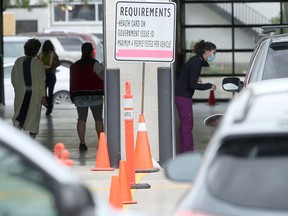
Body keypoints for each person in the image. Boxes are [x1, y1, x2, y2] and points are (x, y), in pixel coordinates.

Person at [175, 40, 217, 153]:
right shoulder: (196, 63)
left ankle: (183, 151)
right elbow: (192, 85)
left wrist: (192, 77)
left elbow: (181, 71)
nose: (214, 56)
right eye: (213, 53)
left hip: (181, 96)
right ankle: (188, 152)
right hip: (183, 97)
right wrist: (209, 85)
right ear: (207, 52)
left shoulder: (195, 60)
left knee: (185, 125)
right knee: (187, 125)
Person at [70, 42, 104, 151]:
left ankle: (82, 143)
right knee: (98, 119)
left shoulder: (75, 66)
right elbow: (103, 78)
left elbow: (73, 81)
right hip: (95, 95)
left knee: (81, 119)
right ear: (91, 52)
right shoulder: (95, 64)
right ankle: (101, 142)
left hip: (80, 96)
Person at [11, 38, 48, 139]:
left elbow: (13, 79)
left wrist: (18, 89)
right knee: (34, 118)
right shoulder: (38, 63)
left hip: (20, 93)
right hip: (34, 94)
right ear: (37, 51)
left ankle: (15, 140)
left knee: (18, 116)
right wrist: (43, 96)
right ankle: (31, 142)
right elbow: (41, 81)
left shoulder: (18, 61)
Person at [38, 40, 59, 116]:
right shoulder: (53, 54)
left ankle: (48, 106)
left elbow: (36, 63)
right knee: (50, 92)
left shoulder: (40, 54)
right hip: (51, 75)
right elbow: (58, 63)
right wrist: (51, 67)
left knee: (43, 92)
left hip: (43, 76)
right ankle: (49, 106)